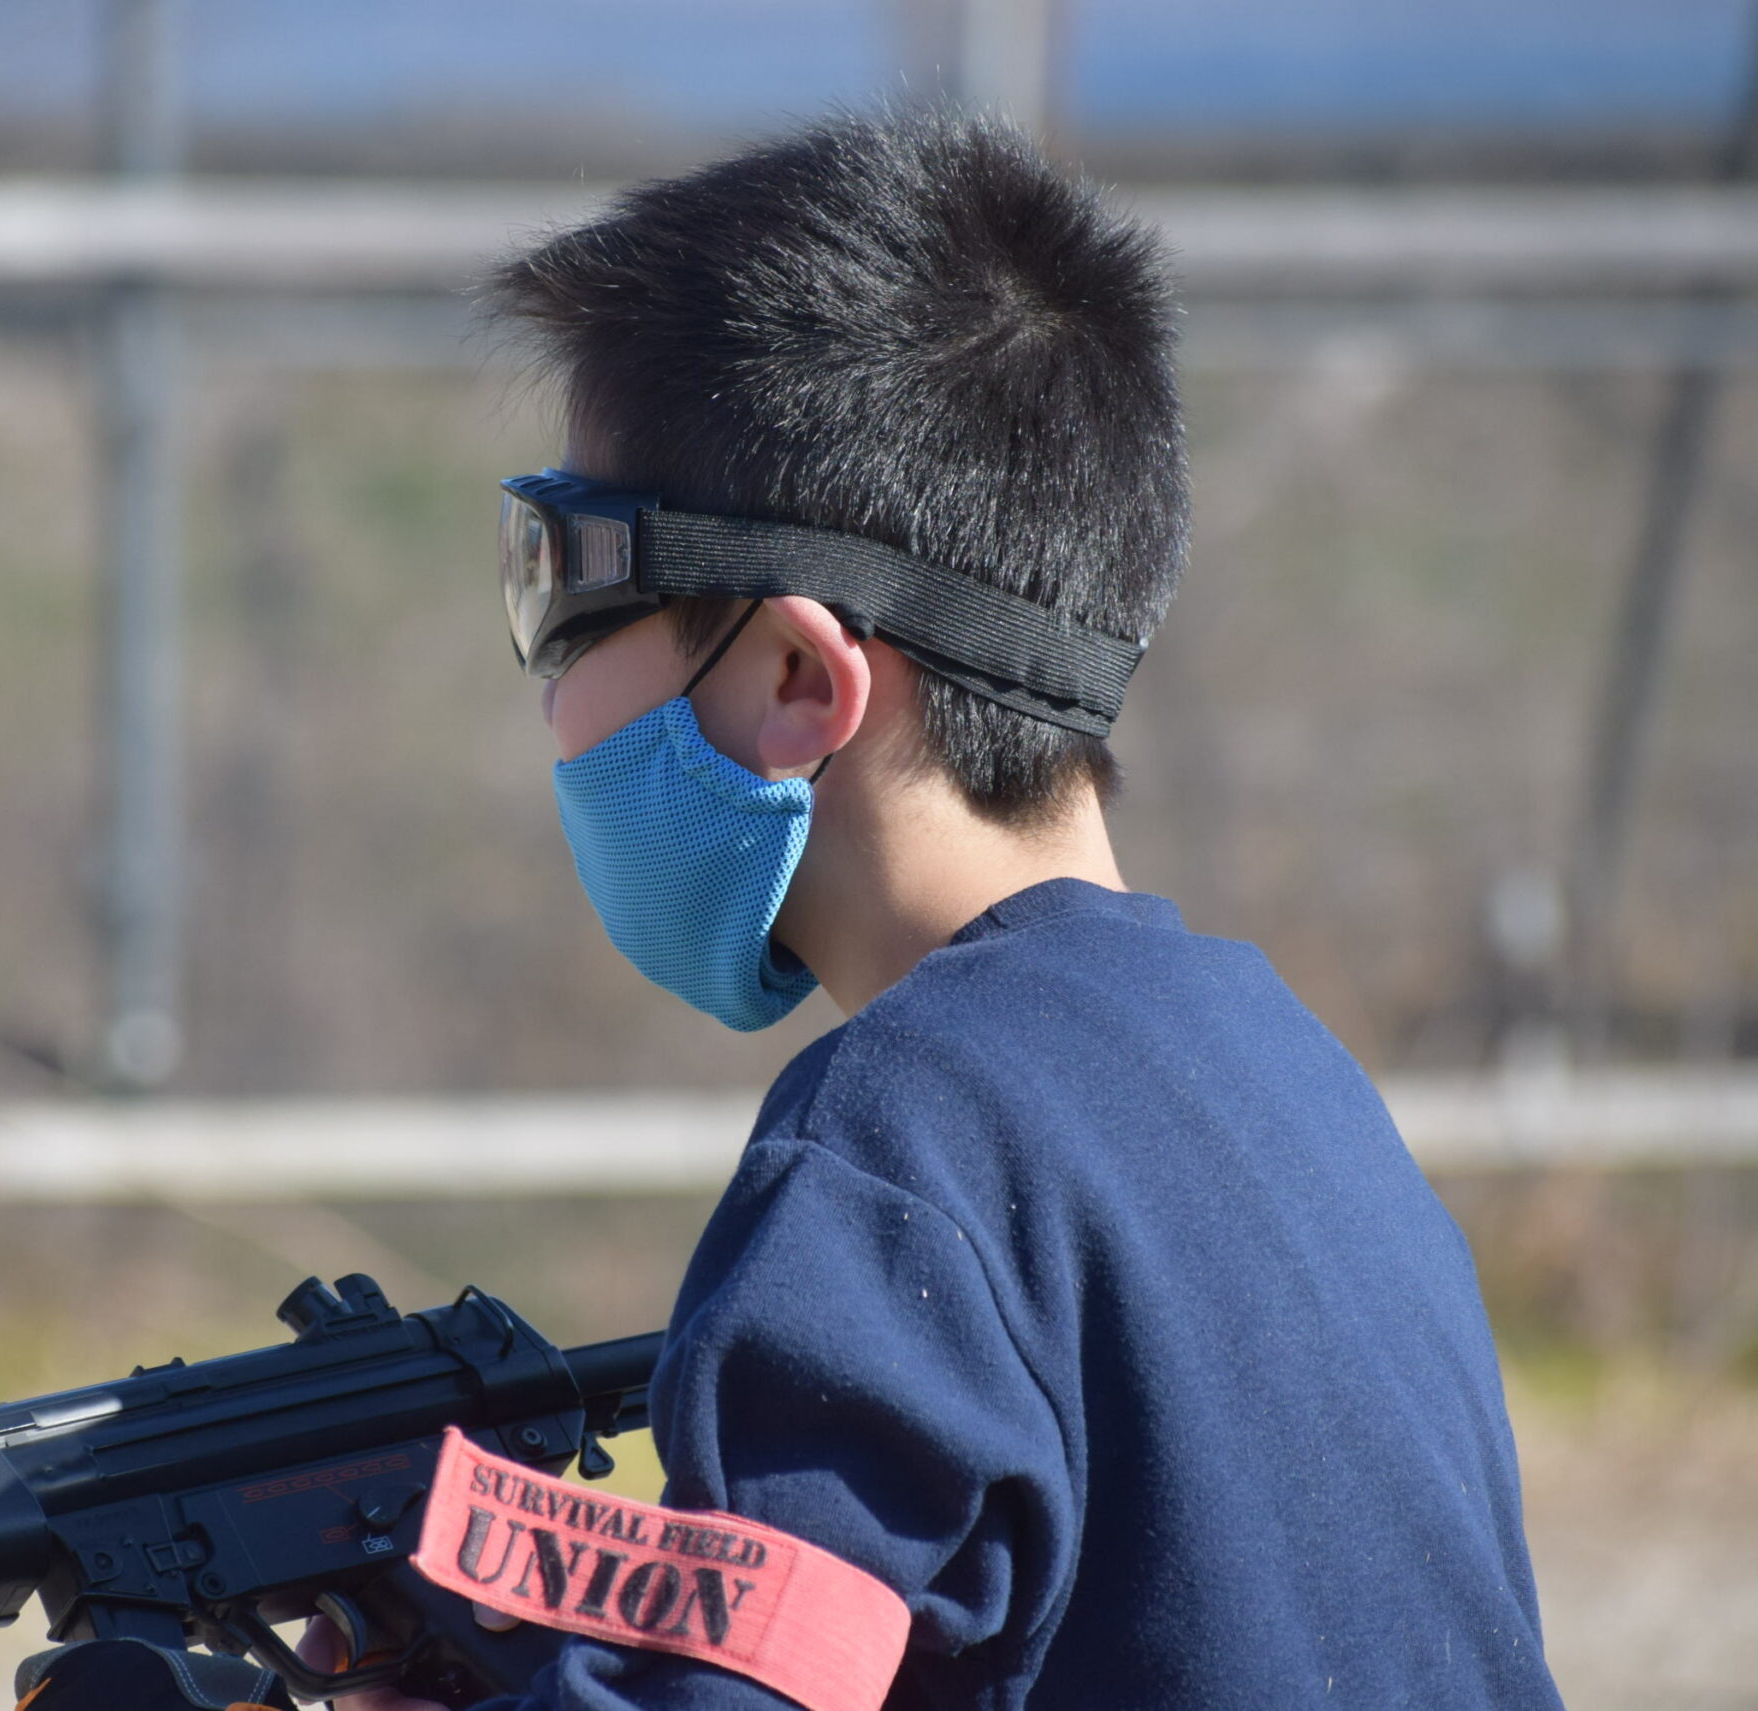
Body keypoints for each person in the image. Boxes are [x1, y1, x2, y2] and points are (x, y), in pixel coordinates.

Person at [332, 110, 1561, 1710]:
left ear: (798, 674)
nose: (549, 687)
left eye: (562, 591)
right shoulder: (1302, 1088)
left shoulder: (895, 1151)